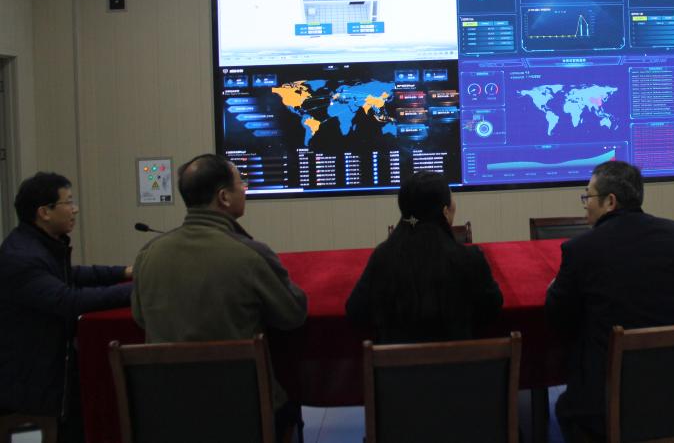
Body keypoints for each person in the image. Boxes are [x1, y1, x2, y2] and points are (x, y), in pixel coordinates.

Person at [131, 154, 307, 443]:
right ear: (224, 197)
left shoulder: (148, 254)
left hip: (168, 410)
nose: (245, 189)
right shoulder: (250, 254)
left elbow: (140, 318)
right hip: (242, 409)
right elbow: (293, 314)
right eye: (241, 183)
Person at [546, 160, 674, 442]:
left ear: (610, 201)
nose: (585, 204)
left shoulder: (581, 250)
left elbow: (558, 318)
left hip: (606, 404)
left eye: (588, 196)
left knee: (562, 408)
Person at [0, 172, 132, 443]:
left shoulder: (39, 245)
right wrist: (136, 291)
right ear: (44, 212)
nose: (75, 209)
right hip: (28, 388)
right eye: (68, 202)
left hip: (46, 375)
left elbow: (73, 275)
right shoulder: (22, 257)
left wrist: (125, 272)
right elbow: (68, 300)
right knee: (32, 436)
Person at [346, 171, 502, 343]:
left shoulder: (382, 257)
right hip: (460, 360)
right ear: (445, 212)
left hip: (397, 361)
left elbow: (356, 311)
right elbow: (492, 308)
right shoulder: (470, 259)